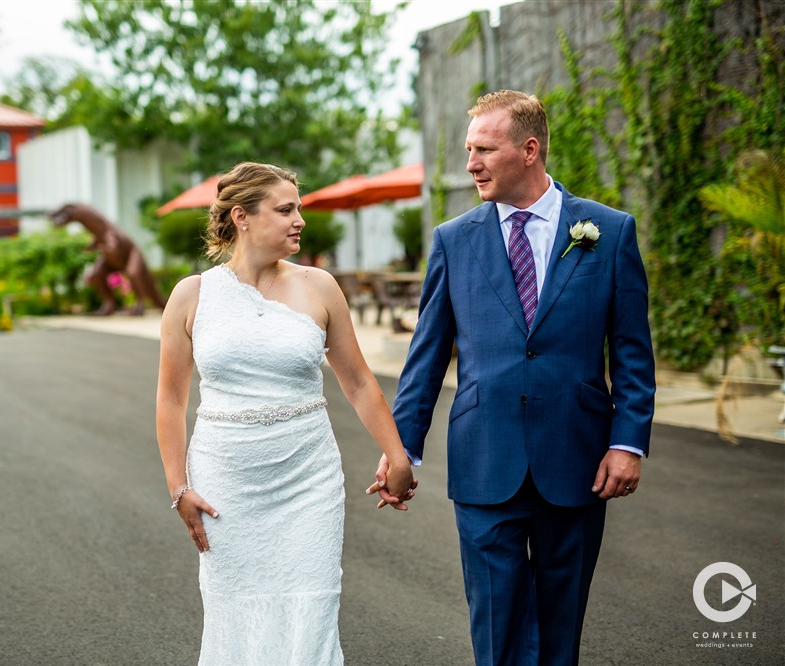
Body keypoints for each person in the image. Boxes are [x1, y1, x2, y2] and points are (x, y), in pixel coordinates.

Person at [370, 91, 656, 664]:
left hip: (575, 456)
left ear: (529, 150)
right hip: (484, 458)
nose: (470, 163)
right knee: (496, 625)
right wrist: (401, 450)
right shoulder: (454, 239)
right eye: (468, 150)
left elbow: (630, 352)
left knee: (560, 625)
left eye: (483, 149)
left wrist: (627, 443)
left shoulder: (609, 232)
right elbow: (425, 358)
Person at [156, 162, 415, 665]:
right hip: (226, 483)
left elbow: (359, 381)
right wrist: (177, 487)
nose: (300, 220)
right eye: (286, 209)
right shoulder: (192, 296)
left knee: (311, 609)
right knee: (235, 610)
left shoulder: (320, 287)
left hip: (307, 480)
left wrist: (397, 455)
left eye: (299, 208)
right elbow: (170, 398)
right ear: (242, 217)